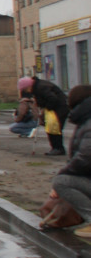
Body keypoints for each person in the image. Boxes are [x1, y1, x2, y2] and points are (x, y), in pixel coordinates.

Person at [50, 84, 91, 238]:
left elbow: (85, 158)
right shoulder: (85, 121)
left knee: (61, 182)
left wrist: (62, 176)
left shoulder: (88, 123)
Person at [21, 76, 70, 156]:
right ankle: (56, 148)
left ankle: (58, 148)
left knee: (54, 128)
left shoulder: (41, 87)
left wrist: (46, 108)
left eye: (26, 89)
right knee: (51, 127)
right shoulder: (38, 86)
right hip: (56, 108)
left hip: (59, 108)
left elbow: (52, 98)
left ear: (28, 86)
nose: (27, 91)